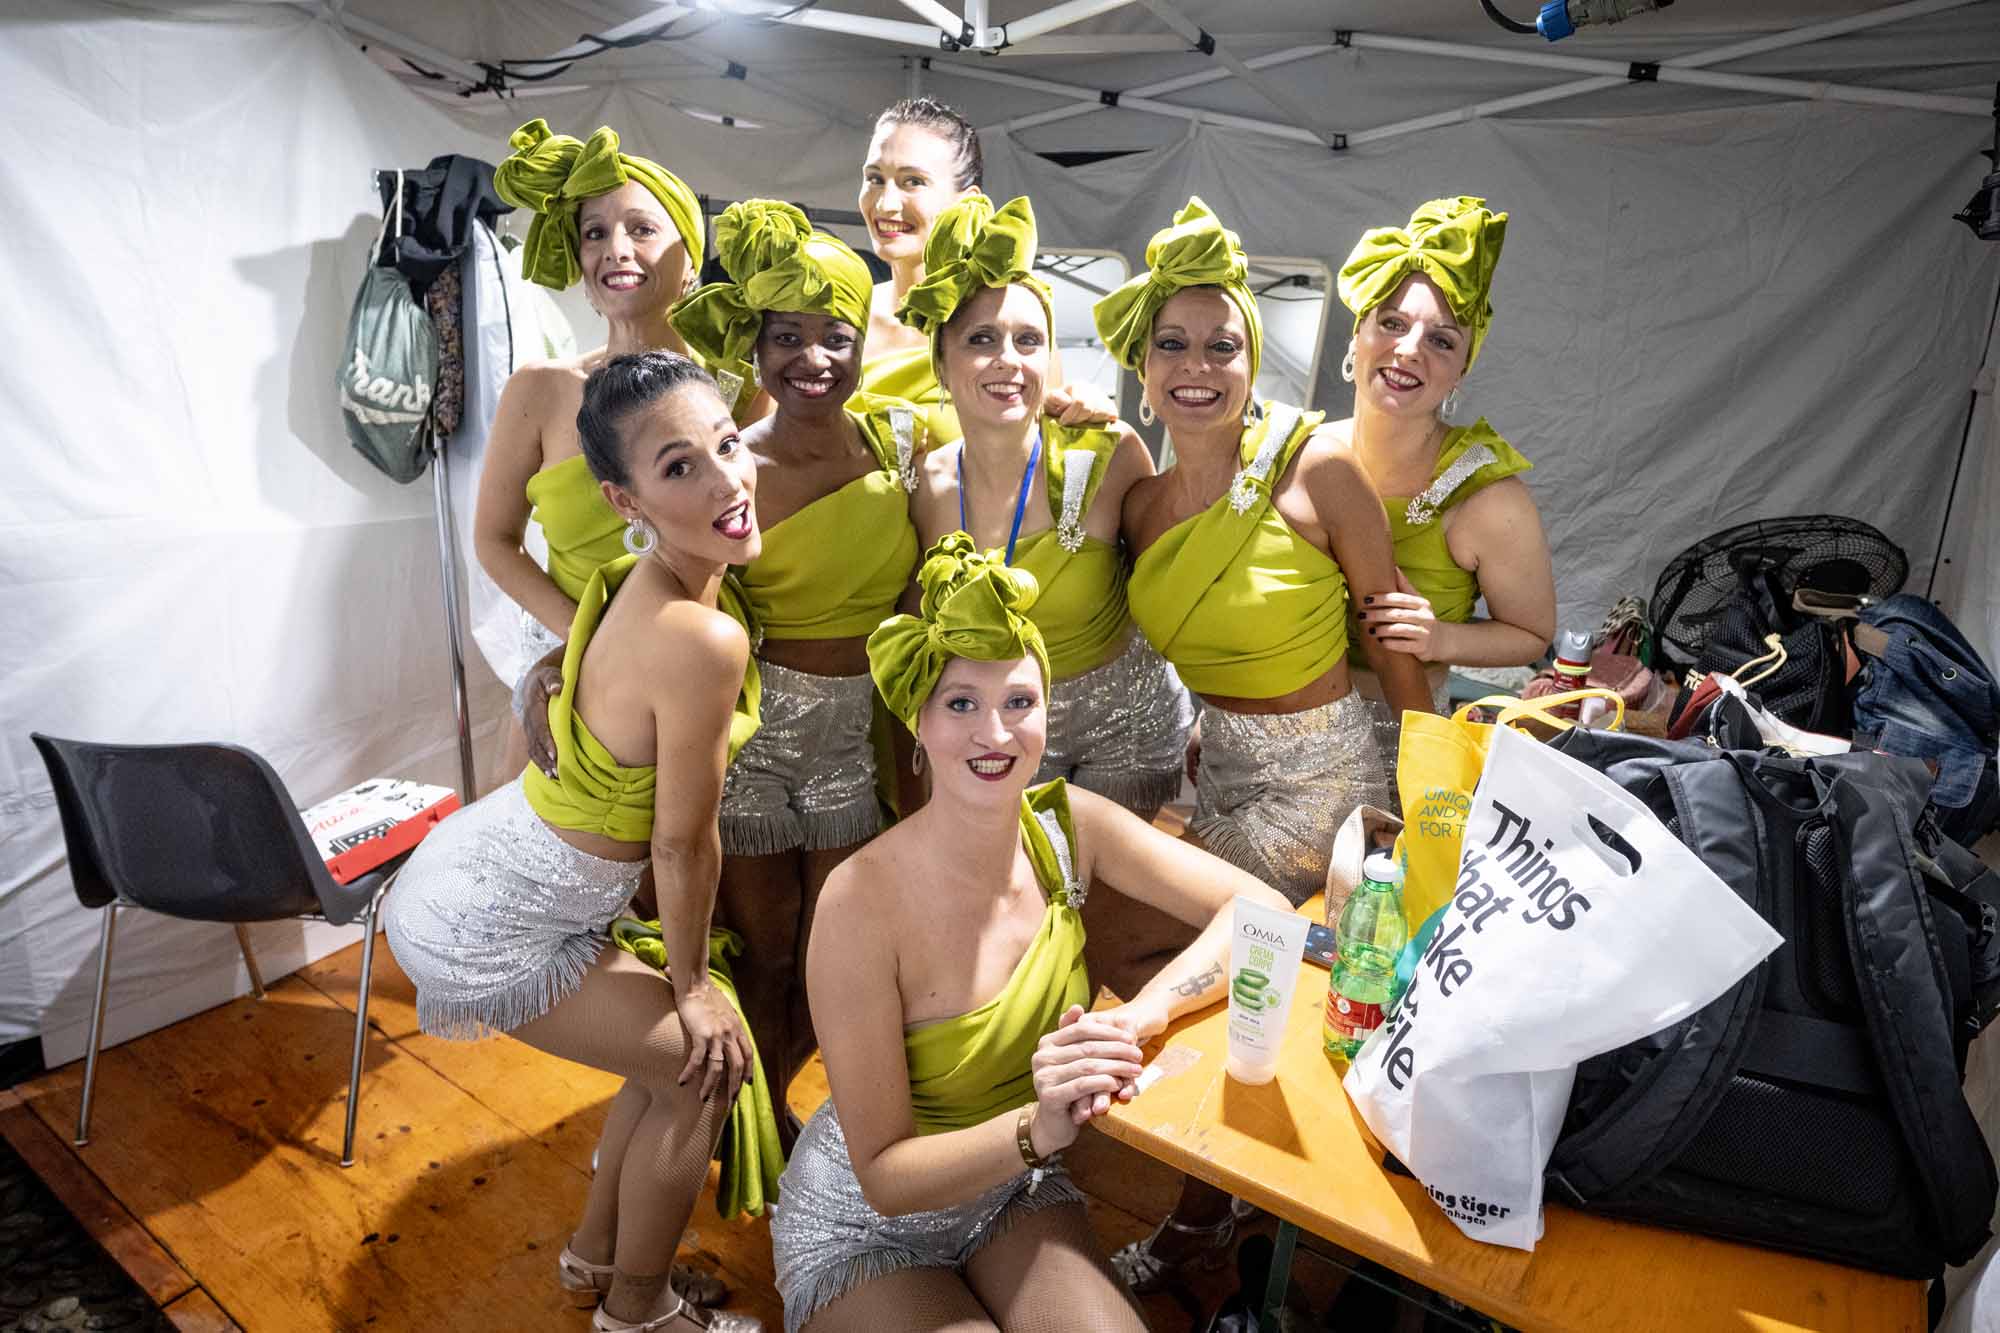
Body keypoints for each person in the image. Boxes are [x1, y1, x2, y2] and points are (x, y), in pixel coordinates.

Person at [769, 535, 1292, 1332]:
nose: (996, 733)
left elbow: (1264, 912)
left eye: (1019, 701)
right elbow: (885, 1175)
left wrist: (1142, 1013)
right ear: (917, 721)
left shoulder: (1067, 826)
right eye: (961, 704)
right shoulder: (857, 903)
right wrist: (1037, 1128)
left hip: (1012, 1189)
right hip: (867, 1226)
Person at [386, 353, 777, 1333]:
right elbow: (681, 844)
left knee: (668, 1062)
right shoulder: (700, 634)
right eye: (680, 466)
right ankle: (639, 1313)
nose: (727, 480)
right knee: (704, 1070)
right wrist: (692, 984)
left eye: (728, 445)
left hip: (481, 868)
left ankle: (595, 1258)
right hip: (486, 918)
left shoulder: (634, 579)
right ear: (624, 500)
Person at [1091, 197, 1437, 1289]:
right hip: (1220, 772)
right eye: (1172, 345)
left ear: (1254, 360)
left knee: (1159, 941)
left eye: (1222, 345)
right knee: (1153, 947)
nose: (1197, 368)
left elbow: (1393, 639)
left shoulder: (1316, 467)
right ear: (1142, 366)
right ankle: (1239, 1159)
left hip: (1323, 779)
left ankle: (1206, 1203)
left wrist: (1426, 802)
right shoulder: (1140, 505)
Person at [668, 199, 921, 1118]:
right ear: (756, 346)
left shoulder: (904, 443)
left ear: (863, 346)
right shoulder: (733, 469)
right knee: (767, 951)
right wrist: (559, 659)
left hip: (855, 743)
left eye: (835, 336)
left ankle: (829, 1118)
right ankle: (759, 1120)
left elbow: (1003, 443)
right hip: (754, 746)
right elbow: (668, 593)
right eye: (787, 336)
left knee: (837, 951)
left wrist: (1065, 400)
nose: (812, 357)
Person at [473, 119, 768, 782]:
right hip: (565, 672)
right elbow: (494, 540)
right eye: (595, 233)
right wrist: (585, 640)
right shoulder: (539, 390)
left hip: (692, 671)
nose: (616, 249)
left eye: (642, 229)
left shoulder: (736, 388)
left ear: (689, 257)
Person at [899, 193, 1190, 822]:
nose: (1008, 359)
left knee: (1100, 883)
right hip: (997, 732)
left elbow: (1175, 586)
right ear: (942, 365)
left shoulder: (1108, 452)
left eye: (1028, 341)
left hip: (1126, 728)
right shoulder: (923, 485)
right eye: (981, 339)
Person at [1337, 197, 1556, 788]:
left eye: (1441, 340)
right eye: (1392, 323)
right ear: (1357, 334)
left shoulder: (1488, 498)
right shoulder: (1302, 455)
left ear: (1462, 369)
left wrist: (1439, 639)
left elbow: (1532, 635)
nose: (1410, 349)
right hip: (1278, 735)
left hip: (1400, 747)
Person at [856, 97, 1111, 446]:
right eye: (874, 178)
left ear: (967, 200)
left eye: (912, 181)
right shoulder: (842, 321)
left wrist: (1080, 405)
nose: (886, 203)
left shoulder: (1014, 323)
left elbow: (1039, 451)